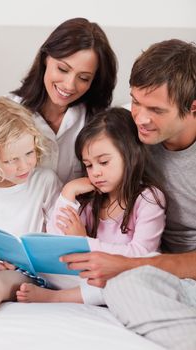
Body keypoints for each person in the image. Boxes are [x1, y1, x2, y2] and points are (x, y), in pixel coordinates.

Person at [60, 39, 196, 350]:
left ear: (192, 106)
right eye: (136, 101)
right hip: (157, 275)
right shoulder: (127, 132)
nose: (140, 118)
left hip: (170, 270)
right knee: (122, 289)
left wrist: (127, 265)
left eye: (156, 110)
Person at [16, 107, 166, 305]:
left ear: (131, 155)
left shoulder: (148, 198)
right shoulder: (91, 199)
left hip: (124, 274)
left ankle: (56, 297)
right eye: (89, 165)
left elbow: (142, 254)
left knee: (135, 279)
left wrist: (84, 242)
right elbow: (56, 241)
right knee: (45, 269)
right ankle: (71, 292)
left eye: (103, 162)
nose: (95, 172)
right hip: (88, 276)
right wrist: (68, 192)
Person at [0, 97, 61, 321]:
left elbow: (55, 241)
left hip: (22, 273)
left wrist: (19, 263)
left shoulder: (44, 182)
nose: (24, 165)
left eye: (29, 153)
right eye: (11, 160)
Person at [9, 17, 117, 185]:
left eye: (83, 78)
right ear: (45, 58)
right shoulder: (7, 111)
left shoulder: (99, 122)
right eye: (63, 69)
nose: (69, 85)